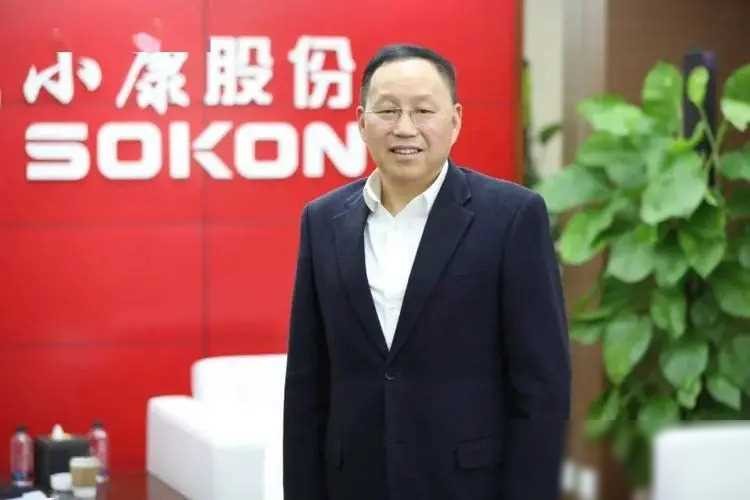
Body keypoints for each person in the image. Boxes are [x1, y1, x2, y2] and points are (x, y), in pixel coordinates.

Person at [283, 44, 570, 500]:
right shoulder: (322, 220)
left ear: (454, 121)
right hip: (353, 483)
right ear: (361, 121)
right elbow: (306, 382)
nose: (404, 127)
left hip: (468, 485)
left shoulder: (512, 217)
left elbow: (542, 386)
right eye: (388, 110)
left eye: (422, 110)